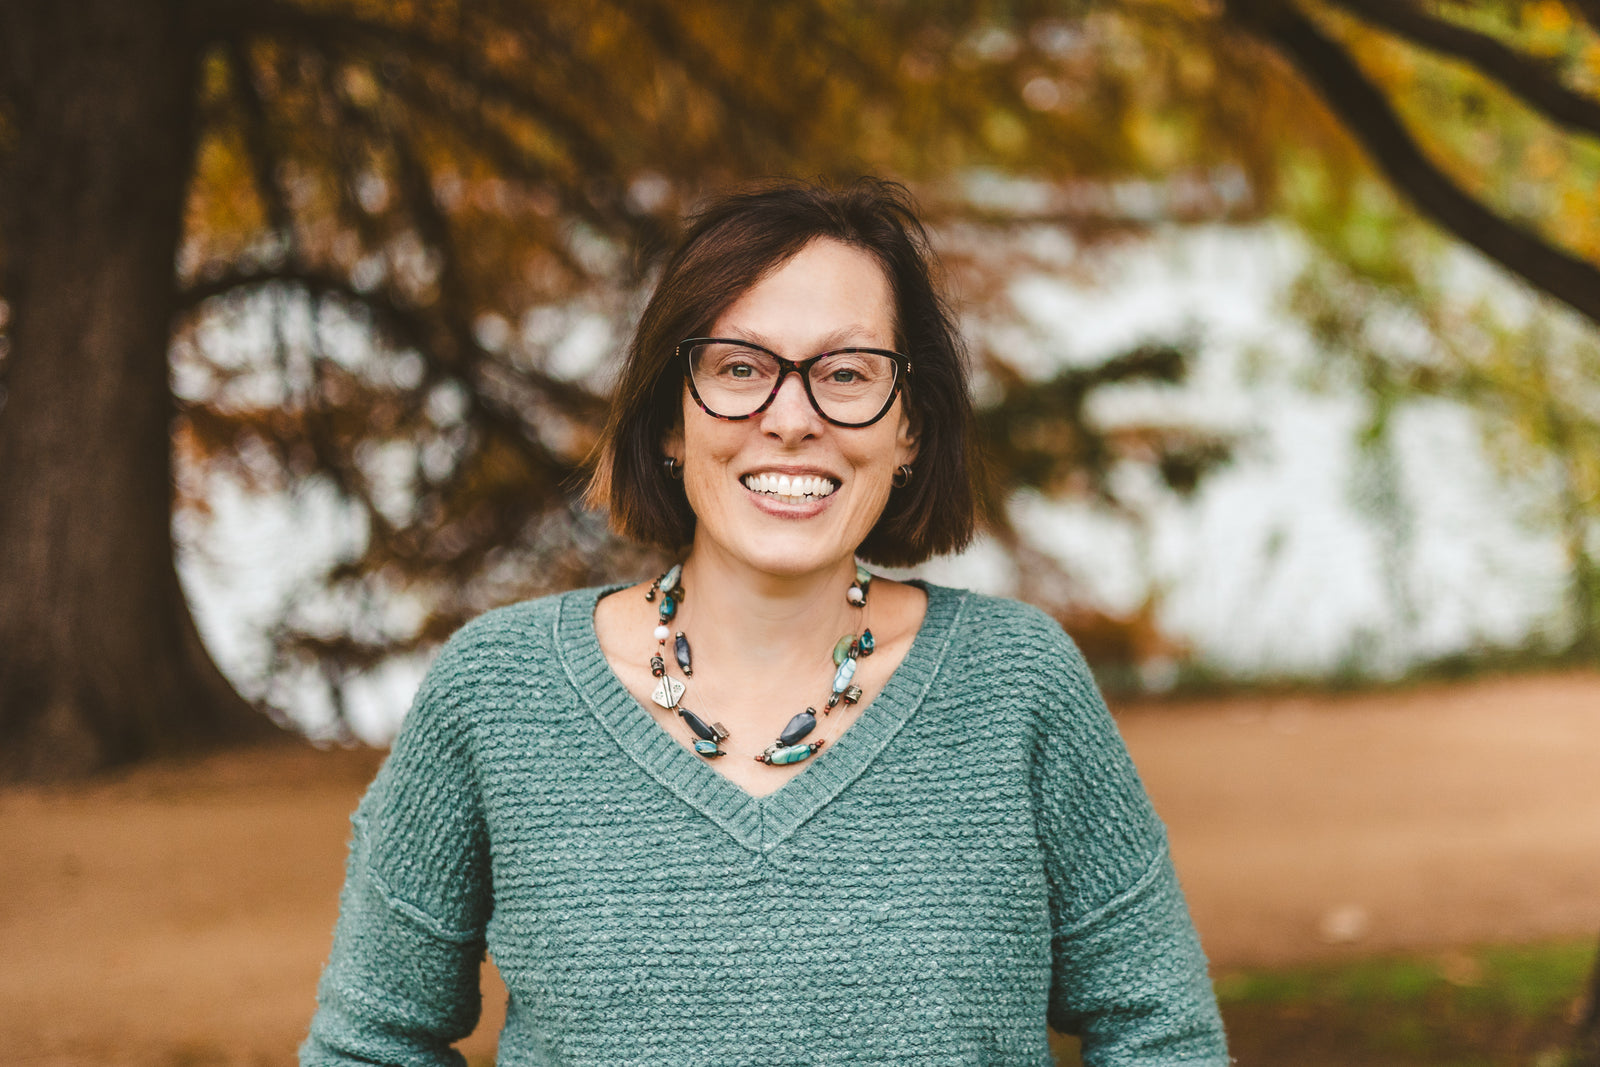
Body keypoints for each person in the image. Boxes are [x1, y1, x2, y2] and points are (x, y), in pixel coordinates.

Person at [302, 178, 1228, 1066]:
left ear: (909, 426)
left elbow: (1162, 1036)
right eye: (740, 368)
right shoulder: (497, 692)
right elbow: (368, 1043)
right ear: (671, 418)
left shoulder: (1020, 683)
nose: (791, 419)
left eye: (847, 373)